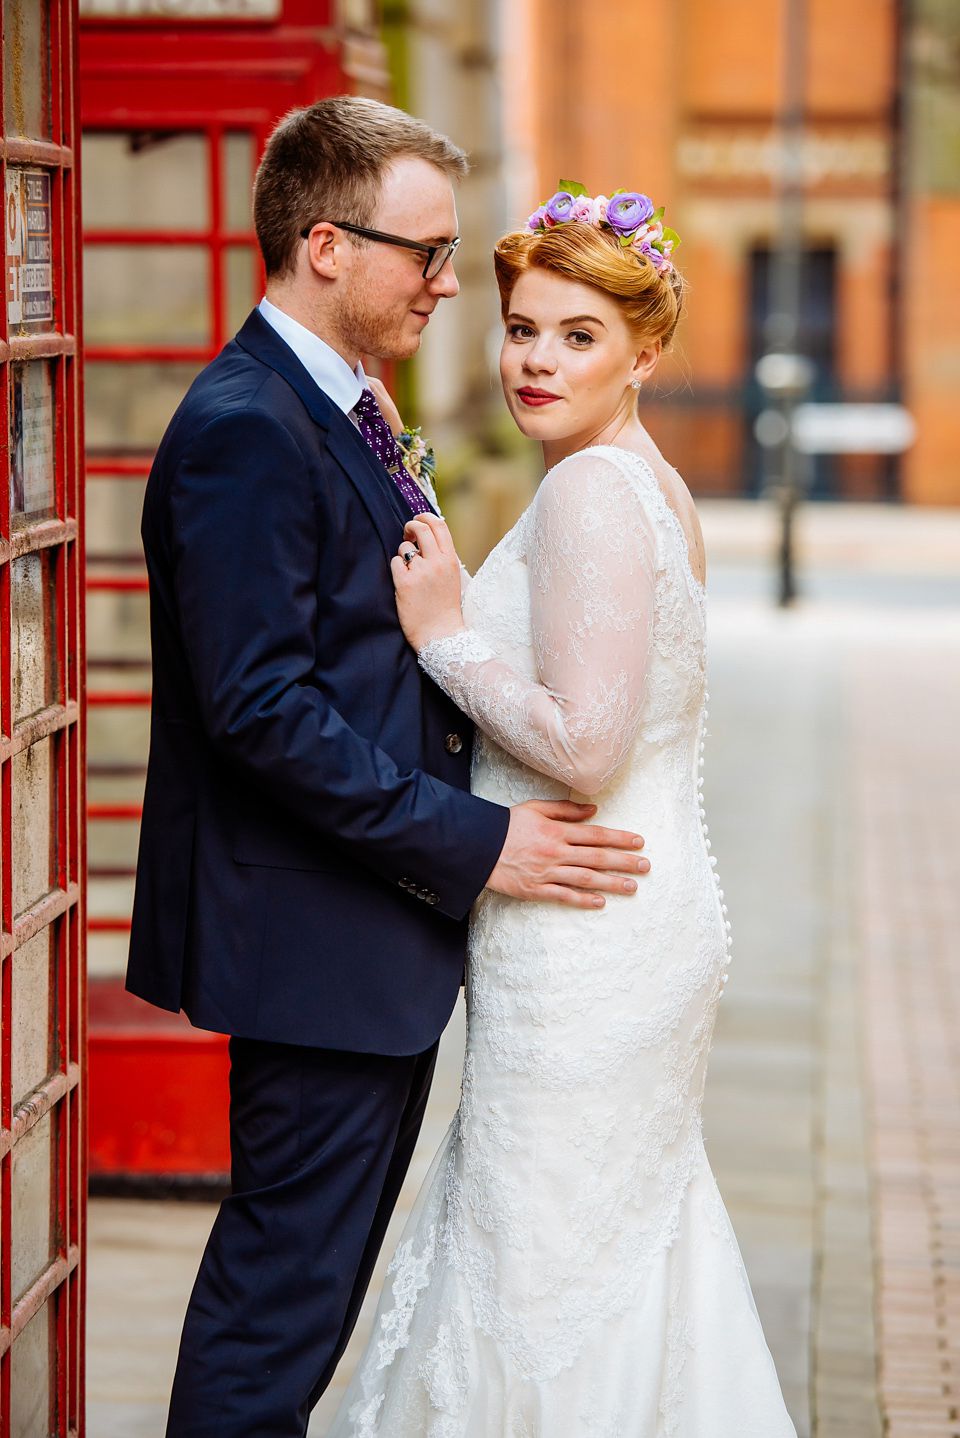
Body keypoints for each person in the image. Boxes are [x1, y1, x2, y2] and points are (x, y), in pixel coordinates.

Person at [126, 100, 652, 1438]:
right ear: (322, 244)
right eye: (418, 251)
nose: (440, 279)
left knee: (310, 1299)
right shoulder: (248, 426)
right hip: (314, 944)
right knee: (277, 1307)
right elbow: (261, 712)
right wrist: (478, 842)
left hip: (367, 934)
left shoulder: (345, 403)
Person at [328, 189, 797, 1436]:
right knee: (604, 1242)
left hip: (585, 921)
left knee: (546, 1260)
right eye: (523, 327)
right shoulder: (643, 481)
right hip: (623, 909)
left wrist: (439, 637)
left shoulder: (594, 492)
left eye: (578, 335)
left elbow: (586, 745)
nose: (536, 359)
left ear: (646, 353)